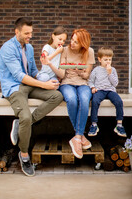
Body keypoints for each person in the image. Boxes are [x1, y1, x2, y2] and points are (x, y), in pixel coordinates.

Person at [0, 17, 63, 177]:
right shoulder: (7, 48)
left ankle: (19, 124)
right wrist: (43, 85)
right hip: (14, 87)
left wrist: (47, 80)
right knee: (26, 117)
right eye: (26, 33)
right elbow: (19, 76)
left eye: (31, 33)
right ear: (17, 31)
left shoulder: (30, 48)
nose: (30, 36)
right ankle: (24, 155)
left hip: (29, 84)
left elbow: (32, 71)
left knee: (57, 96)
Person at [41, 29, 95, 159]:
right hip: (66, 82)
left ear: (83, 43)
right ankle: (80, 136)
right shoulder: (64, 50)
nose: (72, 43)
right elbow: (62, 74)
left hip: (82, 83)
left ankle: (76, 137)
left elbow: (87, 75)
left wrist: (80, 72)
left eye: (76, 42)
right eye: (72, 39)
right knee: (71, 99)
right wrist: (50, 64)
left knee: (84, 98)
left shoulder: (90, 52)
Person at [88, 47, 127, 137]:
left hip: (110, 90)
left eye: (110, 59)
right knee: (95, 101)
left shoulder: (112, 70)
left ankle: (119, 125)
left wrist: (109, 73)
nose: (108, 62)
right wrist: (92, 87)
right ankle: (94, 124)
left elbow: (115, 83)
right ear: (99, 59)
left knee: (119, 101)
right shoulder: (96, 70)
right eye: (105, 60)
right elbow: (90, 80)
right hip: (99, 90)